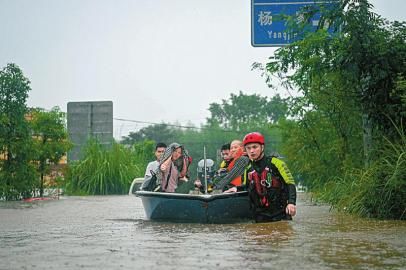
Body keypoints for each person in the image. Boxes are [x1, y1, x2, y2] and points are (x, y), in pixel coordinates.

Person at [243, 132, 297, 222]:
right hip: (259, 216)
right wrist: (235, 189)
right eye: (248, 148)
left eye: (255, 147)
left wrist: (291, 203)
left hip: (280, 214)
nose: (251, 151)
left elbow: (290, 184)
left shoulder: (277, 163)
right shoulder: (248, 170)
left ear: (262, 147)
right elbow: (245, 190)